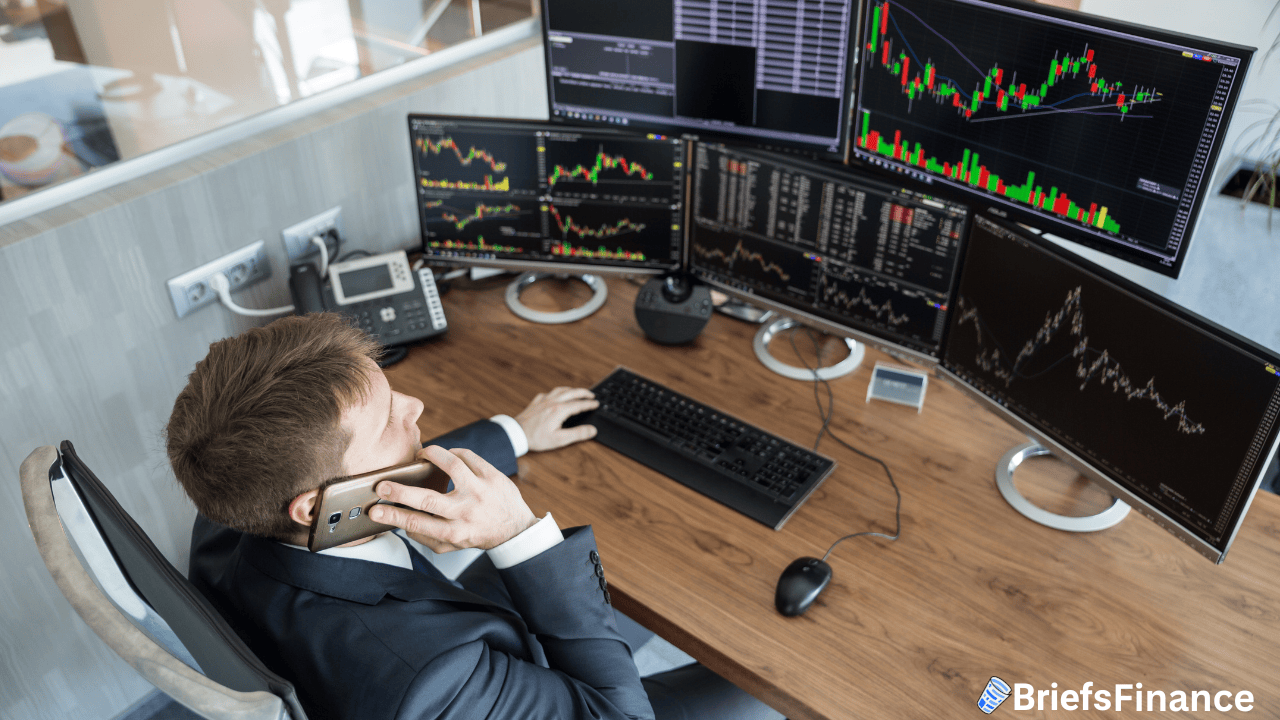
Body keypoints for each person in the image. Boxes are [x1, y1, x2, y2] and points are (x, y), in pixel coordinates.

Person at [169, 313, 779, 720]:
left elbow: (351, 462)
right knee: (759, 683)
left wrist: (513, 433)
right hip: (525, 691)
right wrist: (521, 538)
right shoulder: (436, 685)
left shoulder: (230, 511)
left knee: (615, 573)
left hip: (412, 628)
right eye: (388, 420)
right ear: (317, 504)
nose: (416, 406)